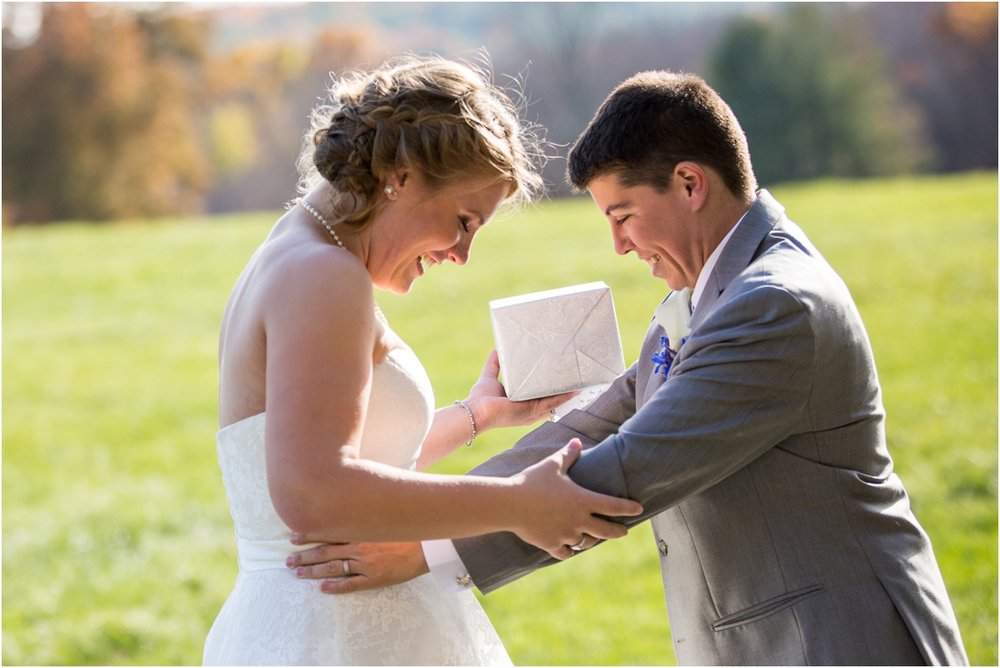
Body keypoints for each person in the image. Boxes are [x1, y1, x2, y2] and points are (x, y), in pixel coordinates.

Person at [290, 71, 969, 665]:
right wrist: (440, 510)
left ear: (689, 183)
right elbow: (584, 430)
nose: (617, 246)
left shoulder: (774, 307)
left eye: (624, 215)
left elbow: (633, 464)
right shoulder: (704, 292)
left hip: (841, 642)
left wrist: (425, 549)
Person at [201, 55, 643, 666]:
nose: (462, 254)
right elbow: (312, 491)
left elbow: (347, 459)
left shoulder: (302, 254)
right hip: (335, 636)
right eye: (463, 222)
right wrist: (517, 503)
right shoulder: (323, 275)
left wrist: (477, 415)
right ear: (401, 176)